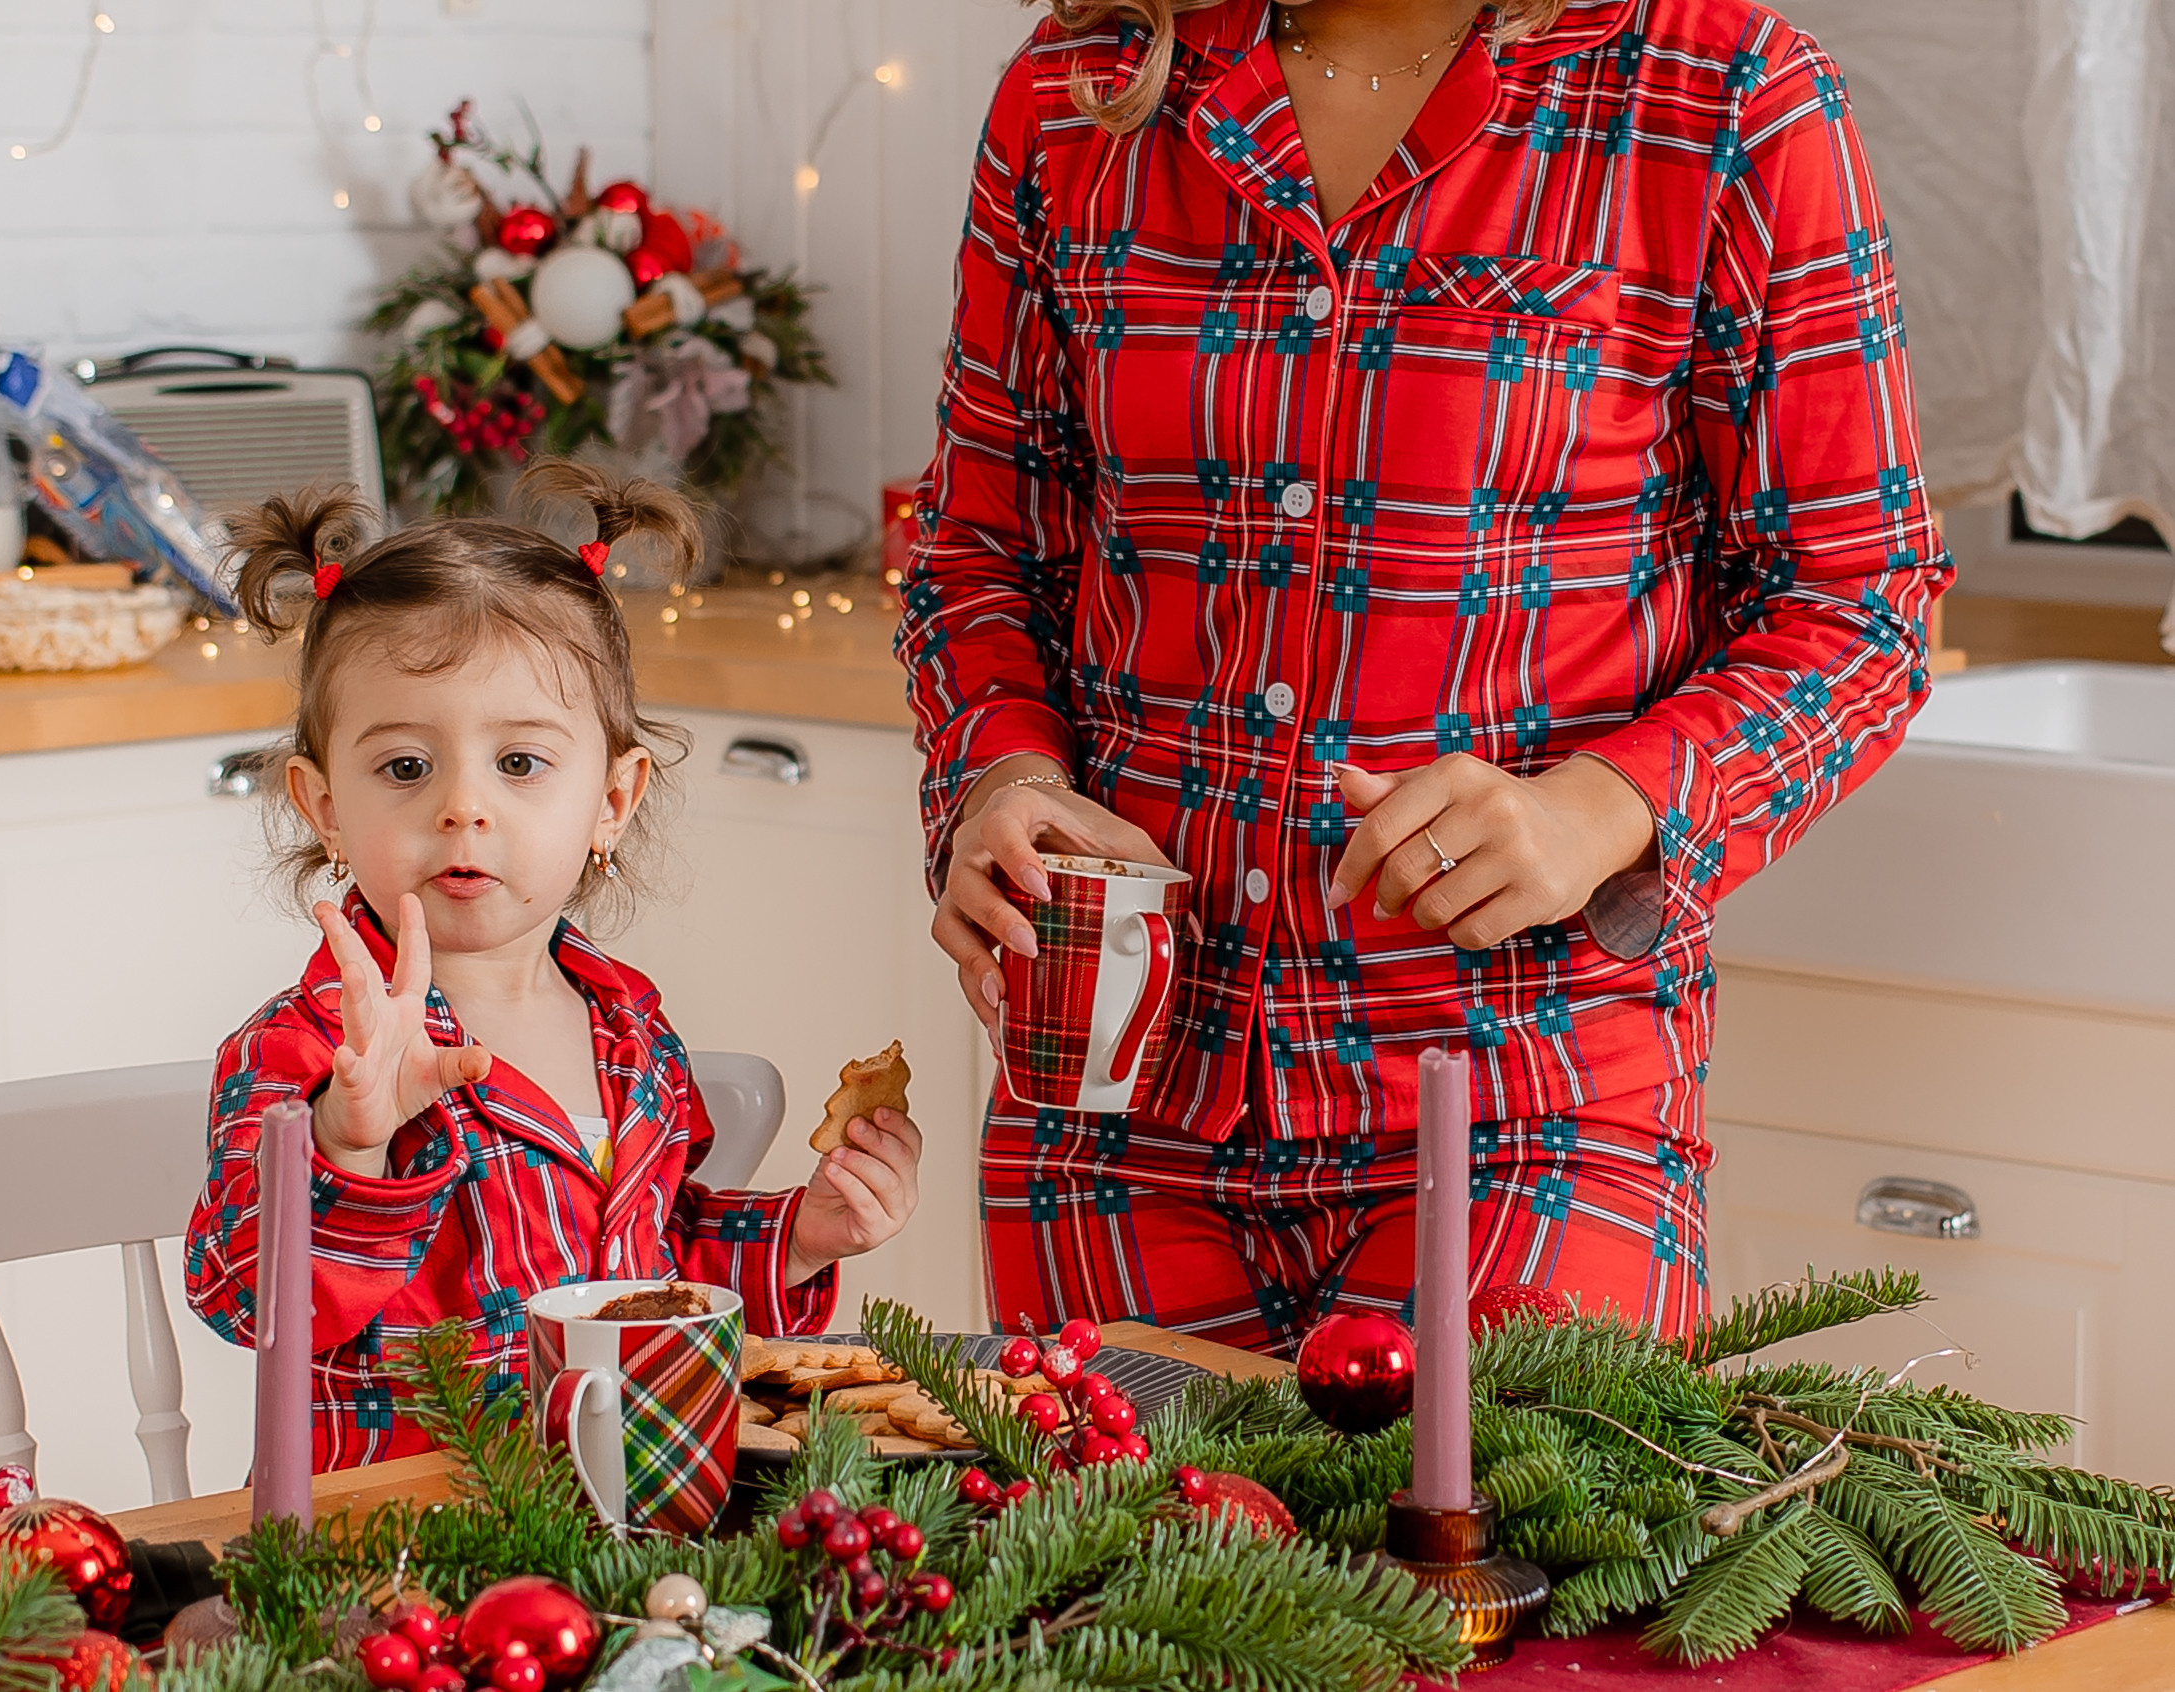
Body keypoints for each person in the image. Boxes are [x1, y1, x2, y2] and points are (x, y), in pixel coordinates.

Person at [902, 0, 1947, 1351]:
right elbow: (980, 551)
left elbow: (1859, 597)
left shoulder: (1719, 89)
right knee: (1117, 1566)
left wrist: (1598, 807)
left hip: (1532, 1089)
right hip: (1113, 1092)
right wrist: (1001, 775)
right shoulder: (1083, 86)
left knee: (1488, 1569)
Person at [187, 462, 923, 1468]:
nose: (463, 807)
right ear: (324, 807)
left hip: (641, 1522)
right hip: (410, 1560)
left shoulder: (632, 1028)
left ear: (611, 803)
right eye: (406, 767)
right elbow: (248, 1306)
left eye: (521, 763)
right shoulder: (305, 1050)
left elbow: (666, 1270)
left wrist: (803, 1235)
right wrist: (347, 1147)